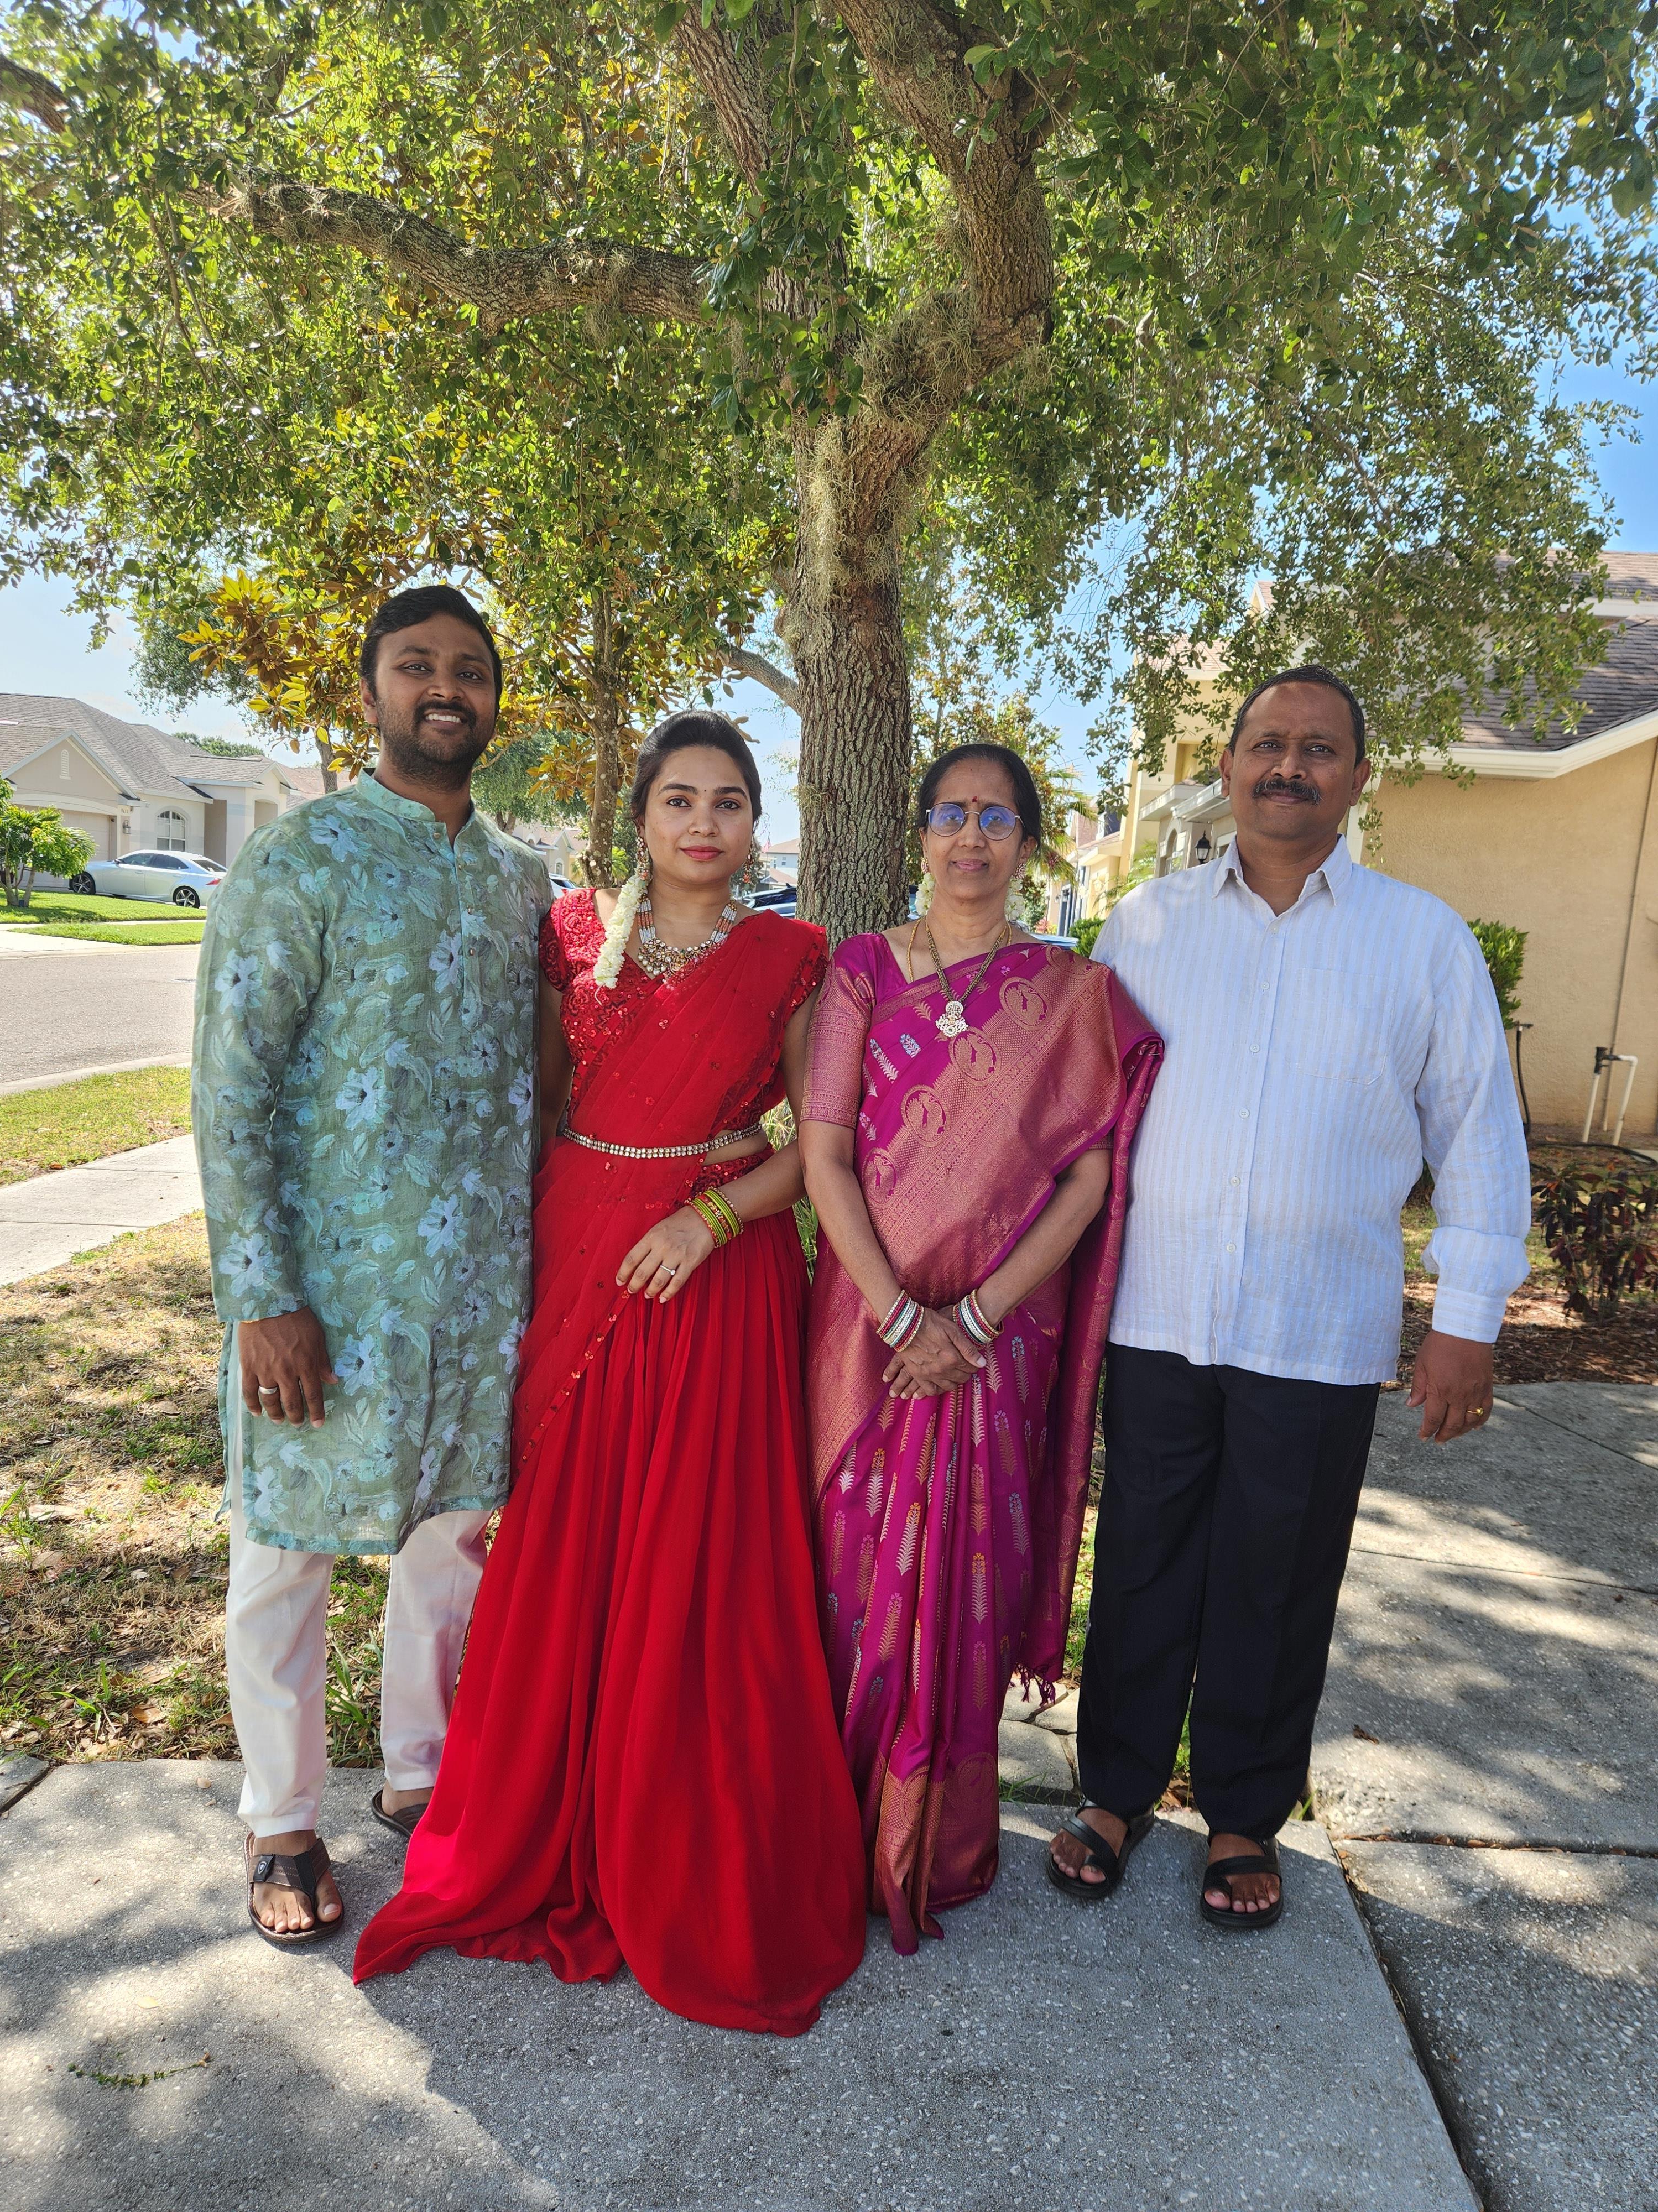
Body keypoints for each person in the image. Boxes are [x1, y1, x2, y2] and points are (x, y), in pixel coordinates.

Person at [354, 711, 867, 2034]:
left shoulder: (795, 955)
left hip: (714, 1267)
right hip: (578, 1246)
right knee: (564, 1534)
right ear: (639, 815)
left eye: (732, 801)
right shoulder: (575, 932)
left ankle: (670, 1817)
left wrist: (710, 1219)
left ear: (759, 825)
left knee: (692, 1550)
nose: (706, 822)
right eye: (681, 798)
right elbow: (535, 1101)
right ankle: (544, 1800)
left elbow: (816, 1148)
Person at [1051, 664, 1531, 1928]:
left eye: (1319, 749)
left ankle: (1246, 1813)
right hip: (1157, 1311)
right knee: (1146, 1552)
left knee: (1279, 1570)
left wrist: (1467, 1315)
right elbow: (1085, 1122)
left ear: (1358, 776)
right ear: (1226, 767)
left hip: (1320, 1328)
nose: (1288, 767)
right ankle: (1113, 1789)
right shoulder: (1144, 924)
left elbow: (1480, 1131)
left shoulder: (1418, 937)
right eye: (1267, 743)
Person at [192, 585, 550, 1945]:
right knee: (286, 1549)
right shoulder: (304, 859)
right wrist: (261, 1296)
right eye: (417, 666)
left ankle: (421, 1771)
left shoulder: (523, 881)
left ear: (494, 699)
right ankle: (281, 1817)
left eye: (468, 669)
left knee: (448, 1538)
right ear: (373, 692)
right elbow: (232, 1083)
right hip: (326, 1292)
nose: (444, 687)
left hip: (473, 1295)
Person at [798, 743, 1162, 1953]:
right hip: (865, 1329)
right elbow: (827, 1150)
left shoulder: (1069, 993)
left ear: (1029, 841)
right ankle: (826, 1825)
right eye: (951, 813)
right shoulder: (859, 971)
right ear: (919, 831)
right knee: (845, 1576)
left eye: (997, 818)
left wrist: (981, 1314)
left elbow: (1092, 1168)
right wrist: (904, 1315)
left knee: (962, 1578)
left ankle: (939, 1832)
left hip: (996, 1343)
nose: (972, 837)